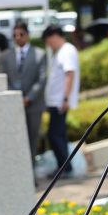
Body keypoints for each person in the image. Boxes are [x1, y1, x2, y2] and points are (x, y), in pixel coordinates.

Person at [0, 21, 46, 166]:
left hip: (33, 105)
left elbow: (42, 80)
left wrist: (29, 98)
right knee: (15, 138)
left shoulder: (39, 54)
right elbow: (3, 78)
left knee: (32, 138)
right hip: (13, 104)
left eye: (21, 34)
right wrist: (15, 97)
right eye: (14, 35)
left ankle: (31, 171)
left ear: (28, 35)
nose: (18, 38)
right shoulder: (6, 56)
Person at [42, 25, 79, 177]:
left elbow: (69, 74)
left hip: (60, 102)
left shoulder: (67, 50)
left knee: (55, 134)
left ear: (54, 36)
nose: (48, 44)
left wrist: (65, 98)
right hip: (56, 101)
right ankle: (64, 167)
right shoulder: (62, 51)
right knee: (58, 134)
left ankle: (65, 168)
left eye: (48, 41)